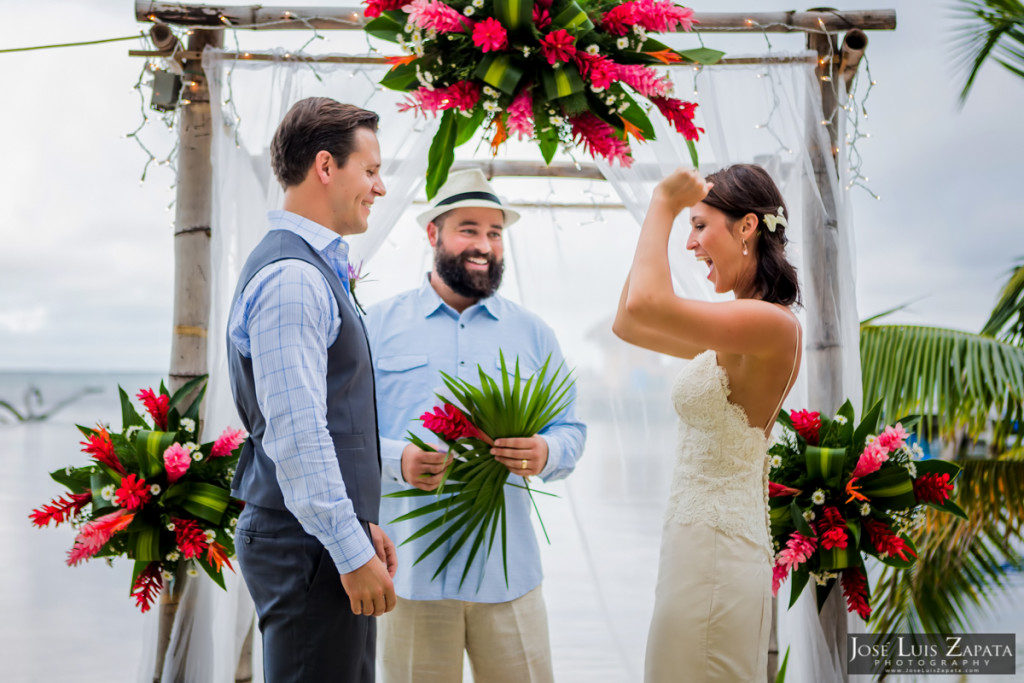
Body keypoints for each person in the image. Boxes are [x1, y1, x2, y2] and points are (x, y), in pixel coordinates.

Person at [364, 168, 587, 683]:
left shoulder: (533, 333)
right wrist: (400, 458)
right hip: (408, 575)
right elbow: (343, 435)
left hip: (510, 577)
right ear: (433, 234)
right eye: (468, 229)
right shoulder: (375, 327)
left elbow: (571, 431)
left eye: (494, 232)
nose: (483, 244)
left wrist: (545, 453)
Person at [226, 97, 397, 683]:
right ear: (326, 167)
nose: (379, 187)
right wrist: (349, 551)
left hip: (316, 540)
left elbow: (330, 417)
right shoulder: (294, 278)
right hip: (307, 551)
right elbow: (297, 432)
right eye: (370, 170)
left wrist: (358, 527)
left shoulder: (309, 268)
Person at [613, 164, 802, 681]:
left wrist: (663, 205)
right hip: (694, 543)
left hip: (718, 552)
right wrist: (665, 214)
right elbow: (628, 321)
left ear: (747, 227)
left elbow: (648, 302)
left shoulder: (770, 324)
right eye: (689, 228)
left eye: (700, 226)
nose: (691, 245)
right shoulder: (737, 331)